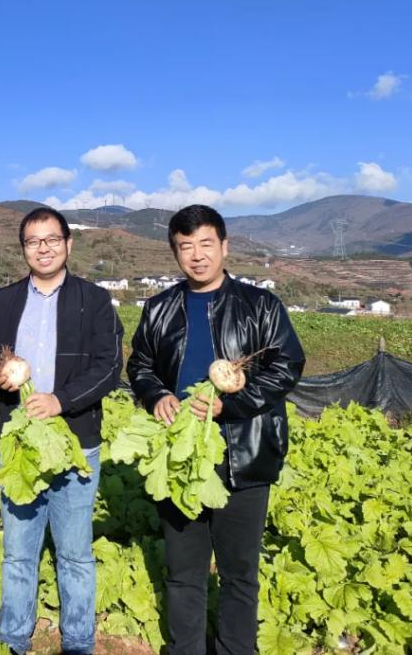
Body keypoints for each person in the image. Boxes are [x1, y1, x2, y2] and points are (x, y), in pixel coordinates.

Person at [127, 204, 305, 655]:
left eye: (206, 244)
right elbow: (140, 365)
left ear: (224, 246)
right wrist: (155, 395)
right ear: (175, 252)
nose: (197, 256)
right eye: (185, 247)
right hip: (180, 457)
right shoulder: (159, 309)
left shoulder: (260, 305)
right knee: (183, 572)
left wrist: (231, 404)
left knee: (239, 573)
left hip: (243, 455)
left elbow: (287, 365)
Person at [0, 207, 123, 655]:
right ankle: (14, 641)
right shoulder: (3, 301)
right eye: (33, 241)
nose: (43, 248)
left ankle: (78, 644)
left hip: (75, 442)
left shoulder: (94, 300)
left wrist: (62, 400)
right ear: (23, 249)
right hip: (19, 444)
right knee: (19, 553)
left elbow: (109, 367)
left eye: (52, 239)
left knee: (75, 554)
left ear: (68, 244)